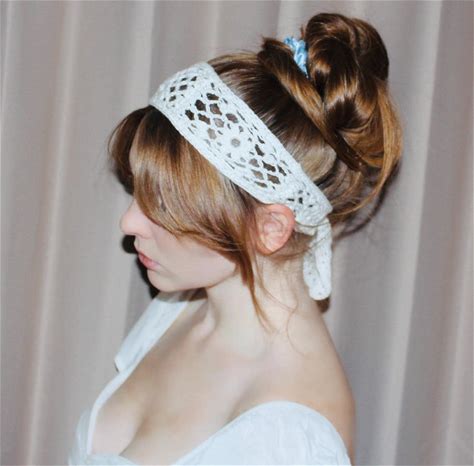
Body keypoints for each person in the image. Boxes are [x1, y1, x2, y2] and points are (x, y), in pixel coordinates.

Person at [69, 11, 402, 466]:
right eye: (140, 193)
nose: (129, 223)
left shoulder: (288, 440)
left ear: (270, 228)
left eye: (164, 205)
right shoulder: (180, 311)